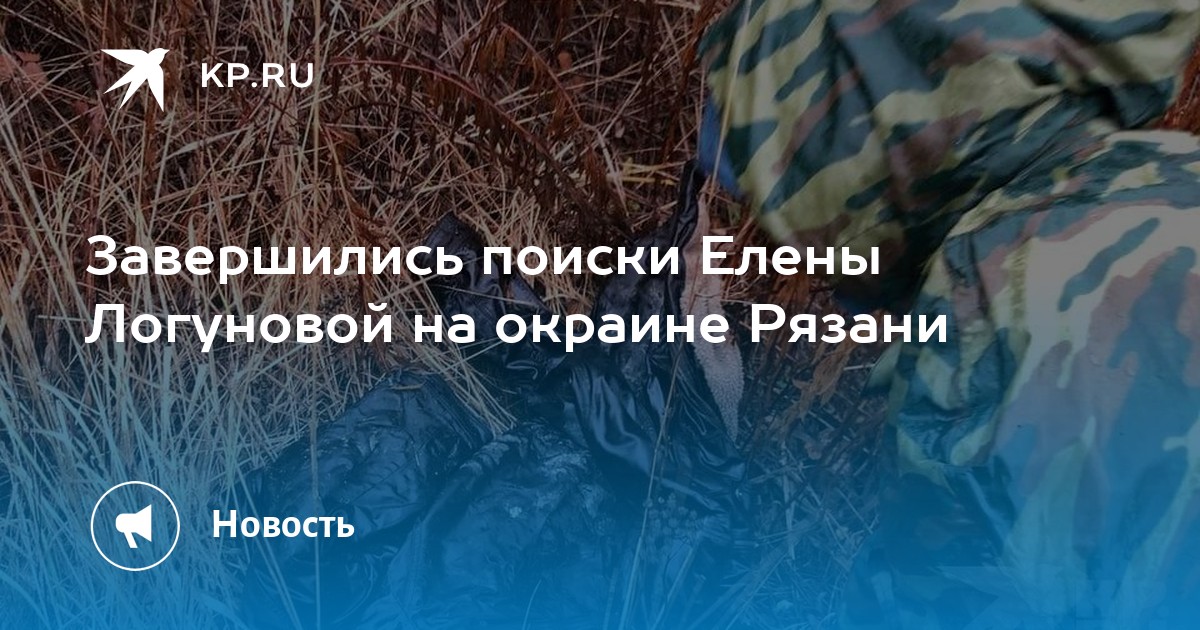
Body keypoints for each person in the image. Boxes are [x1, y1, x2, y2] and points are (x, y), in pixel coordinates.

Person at [698, 1, 1200, 627]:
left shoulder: (984, 311)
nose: (790, 247)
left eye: (761, 175)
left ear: (856, 132)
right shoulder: (1176, 182)